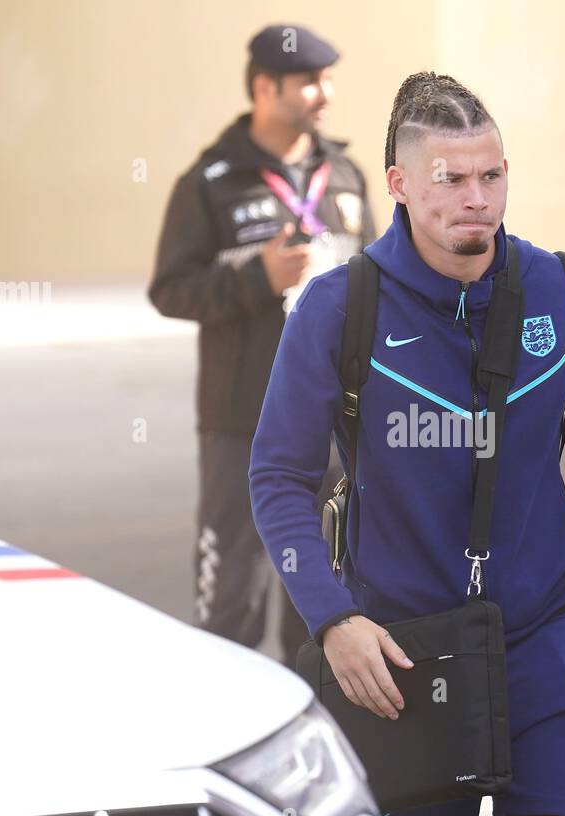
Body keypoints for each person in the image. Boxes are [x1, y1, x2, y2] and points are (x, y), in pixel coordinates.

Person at [249, 72, 565, 816]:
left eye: (491, 175)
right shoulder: (336, 308)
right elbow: (277, 479)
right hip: (394, 651)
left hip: (538, 637)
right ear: (399, 184)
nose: (477, 198)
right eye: (450, 179)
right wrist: (333, 619)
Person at [148, 24, 376, 669]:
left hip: (338, 425)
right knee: (230, 606)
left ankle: (328, 741)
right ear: (263, 88)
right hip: (240, 424)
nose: (324, 93)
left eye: (327, 78)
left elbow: (385, 286)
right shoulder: (210, 182)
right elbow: (170, 290)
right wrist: (257, 280)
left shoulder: (348, 176)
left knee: (330, 601)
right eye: (309, 81)